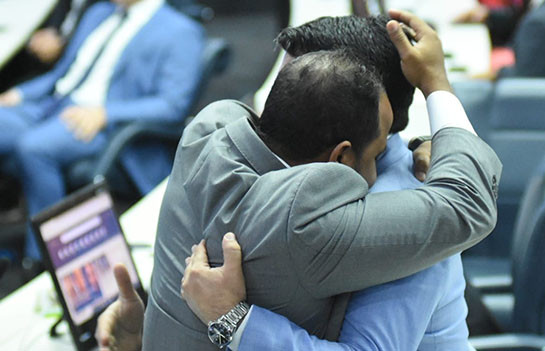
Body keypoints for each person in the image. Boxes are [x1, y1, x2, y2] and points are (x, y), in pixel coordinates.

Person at [141, 7, 501, 351]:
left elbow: (466, 203)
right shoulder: (284, 179)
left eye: (307, 84)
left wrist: (232, 320)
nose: (286, 100)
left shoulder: (409, 213)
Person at [0, 0, 204, 260]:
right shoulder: (100, 13)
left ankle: (42, 258)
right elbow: (64, 73)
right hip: (51, 104)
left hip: (97, 120)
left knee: (35, 148)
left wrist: (106, 113)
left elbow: (173, 105)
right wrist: (21, 93)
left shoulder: (180, 30)